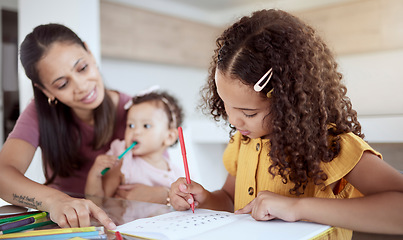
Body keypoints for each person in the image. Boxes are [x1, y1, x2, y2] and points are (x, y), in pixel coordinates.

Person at [168, 9, 403, 238]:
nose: (232, 119)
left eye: (248, 112)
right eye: (225, 104)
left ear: (289, 102)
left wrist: (298, 207)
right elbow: (231, 200)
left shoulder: (328, 146)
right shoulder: (245, 140)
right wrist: (205, 198)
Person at [0, 23, 160, 230]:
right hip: (64, 228)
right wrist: (55, 201)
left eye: (82, 68)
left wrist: (164, 195)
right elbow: (3, 176)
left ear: (90, 53)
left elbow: (160, 173)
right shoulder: (39, 113)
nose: (82, 86)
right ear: (45, 90)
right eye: (62, 84)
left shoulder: (134, 112)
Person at [85, 88, 184, 205]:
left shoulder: (177, 174)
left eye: (146, 126)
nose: (135, 131)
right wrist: (94, 175)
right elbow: (98, 203)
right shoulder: (124, 164)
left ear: (169, 137)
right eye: (130, 125)